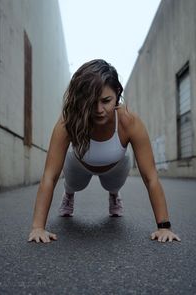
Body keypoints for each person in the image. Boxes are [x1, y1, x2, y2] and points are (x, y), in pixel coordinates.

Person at [28, 59, 181, 244]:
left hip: (115, 166)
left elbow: (151, 177)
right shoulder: (68, 120)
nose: (99, 110)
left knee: (112, 186)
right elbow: (50, 176)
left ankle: (114, 195)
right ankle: (68, 195)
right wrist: (38, 228)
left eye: (106, 101)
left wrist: (164, 226)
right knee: (74, 185)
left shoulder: (129, 121)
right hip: (78, 164)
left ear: (117, 93)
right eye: (91, 102)